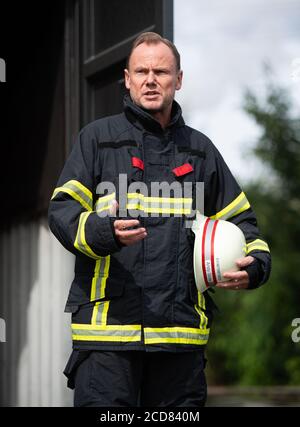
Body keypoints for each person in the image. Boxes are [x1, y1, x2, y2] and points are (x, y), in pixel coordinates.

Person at [48, 32, 271, 407]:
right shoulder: (96, 140)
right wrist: (105, 231)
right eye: (142, 71)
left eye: (162, 72)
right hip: (107, 343)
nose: (151, 79)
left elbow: (245, 224)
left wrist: (257, 266)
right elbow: (62, 211)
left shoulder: (201, 151)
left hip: (180, 342)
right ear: (127, 78)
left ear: (178, 80)